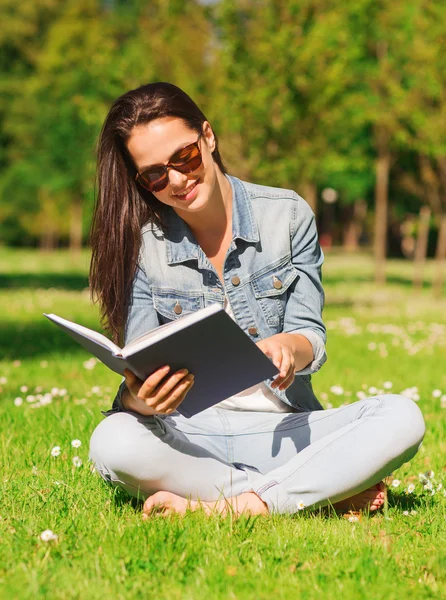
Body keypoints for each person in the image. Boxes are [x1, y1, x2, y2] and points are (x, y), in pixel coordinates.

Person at [89, 82, 425, 517]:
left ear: (208, 137)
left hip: (284, 430)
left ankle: (237, 504)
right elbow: (139, 363)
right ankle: (307, 490)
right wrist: (140, 398)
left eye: (184, 157)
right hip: (190, 436)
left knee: (402, 416)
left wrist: (289, 348)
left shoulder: (286, 215)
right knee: (112, 442)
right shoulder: (142, 245)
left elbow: (310, 335)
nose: (176, 180)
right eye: (154, 174)